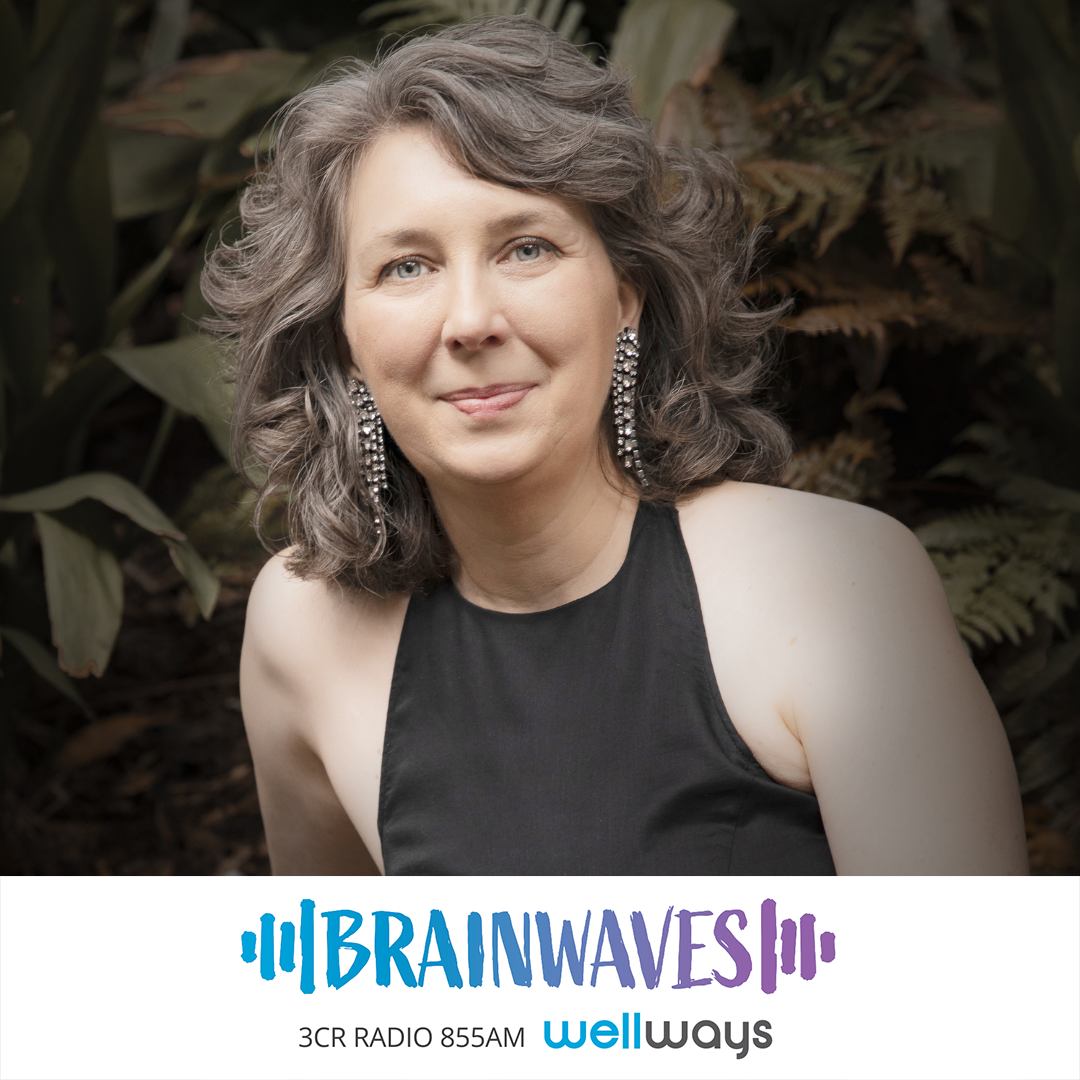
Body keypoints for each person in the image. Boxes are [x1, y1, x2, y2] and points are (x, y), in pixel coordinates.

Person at [203, 16, 1028, 876]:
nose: (472, 321)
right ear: (343, 340)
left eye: (526, 248)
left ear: (625, 296)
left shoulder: (836, 588)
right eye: (406, 267)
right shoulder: (301, 630)